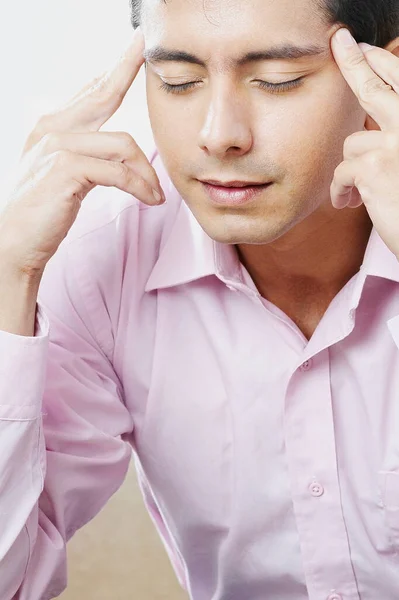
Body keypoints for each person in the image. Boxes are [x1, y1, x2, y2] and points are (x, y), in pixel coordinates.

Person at [2, 0, 399, 598]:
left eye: (277, 81)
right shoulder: (99, 254)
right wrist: (8, 274)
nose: (218, 135)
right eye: (177, 81)